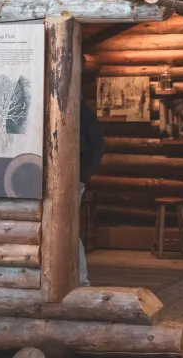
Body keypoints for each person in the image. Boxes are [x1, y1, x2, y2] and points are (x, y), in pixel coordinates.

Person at [79, 100, 104, 287]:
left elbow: (96, 142)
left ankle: (81, 280)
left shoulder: (78, 109)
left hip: (73, 178)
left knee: (66, 230)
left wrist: (82, 176)